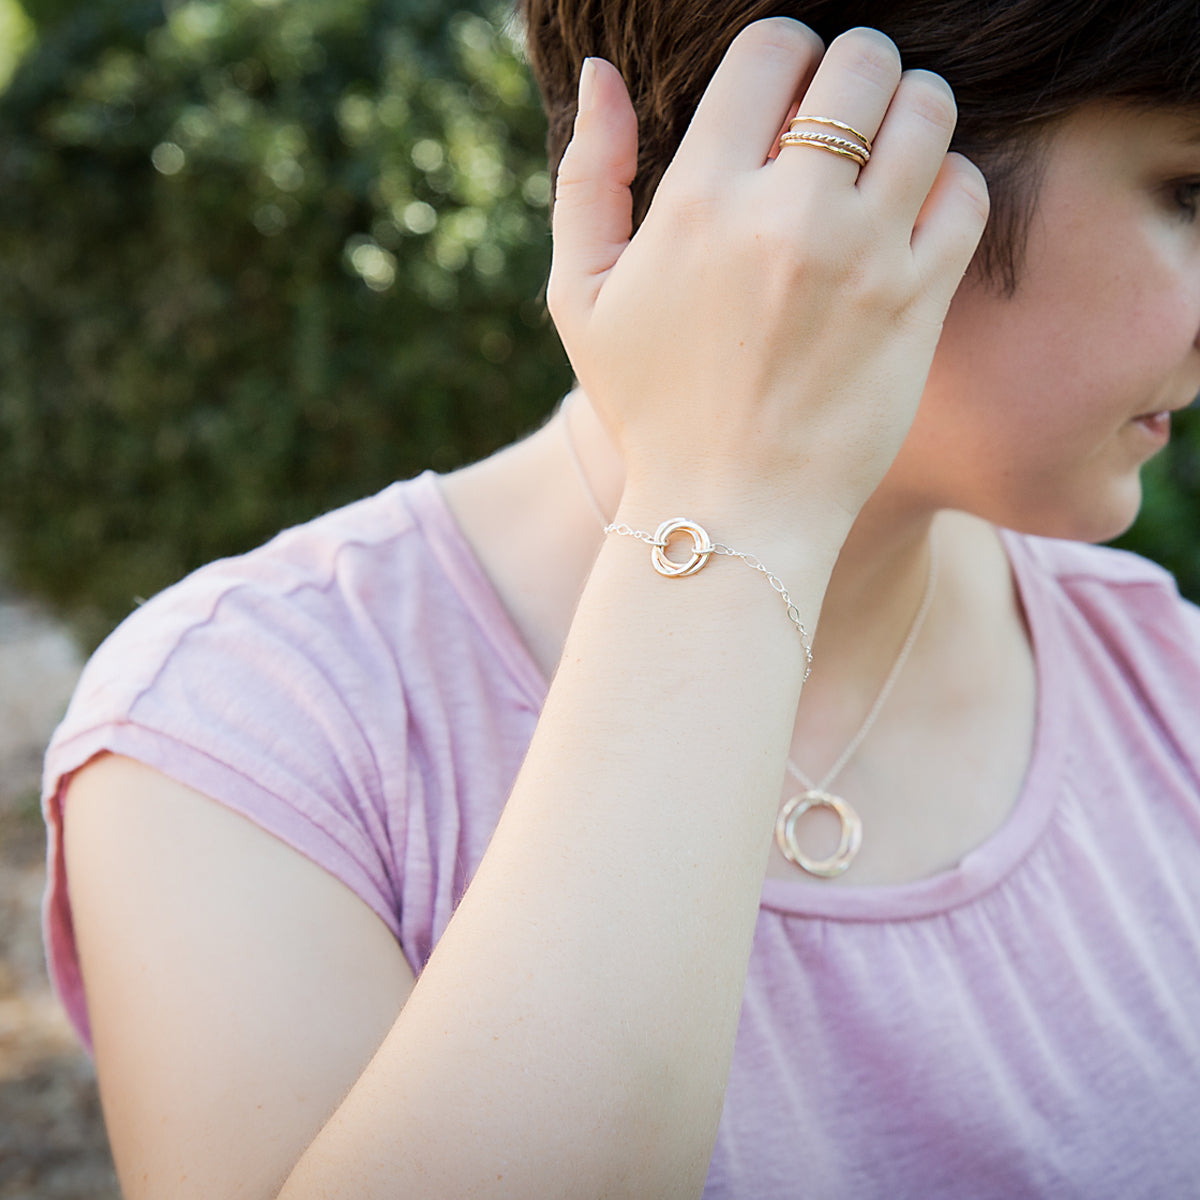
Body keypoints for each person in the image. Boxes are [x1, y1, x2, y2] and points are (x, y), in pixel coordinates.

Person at [40, 0, 1200, 1195]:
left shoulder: (1169, 679)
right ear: (822, 155)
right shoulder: (243, 735)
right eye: (1189, 193)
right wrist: (737, 504)